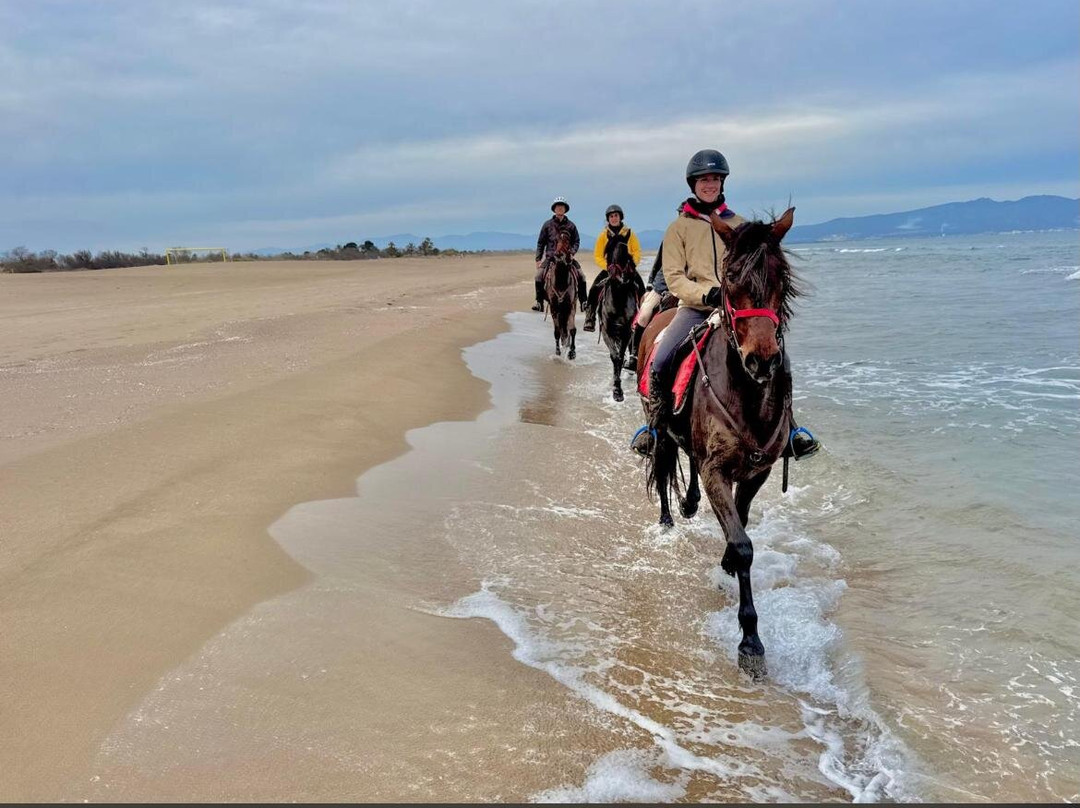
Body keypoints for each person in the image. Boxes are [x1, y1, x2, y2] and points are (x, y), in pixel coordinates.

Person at [631, 149, 821, 460]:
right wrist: (705, 295)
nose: (710, 185)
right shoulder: (678, 228)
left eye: (716, 179)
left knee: (779, 358)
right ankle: (654, 426)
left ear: (723, 184)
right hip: (694, 309)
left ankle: (789, 429)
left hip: (737, 310)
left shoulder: (741, 225)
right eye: (704, 180)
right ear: (693, 185)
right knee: (662, 358)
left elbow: (758, 272)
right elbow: (675, 277)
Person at [583, 204, 642, 332]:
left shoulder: (629, 233)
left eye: (616, 216)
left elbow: (637, 251)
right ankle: (590, 318)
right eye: (611, 216)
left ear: (620, 217)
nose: (614, 218)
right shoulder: (603, 235)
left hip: (627, 269)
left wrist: (632, 265)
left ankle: (643, 319)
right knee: (594, 289)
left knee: (641, 288)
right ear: (608, 219)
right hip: (610, 269)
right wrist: (608, 267)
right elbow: (598, 255)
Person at [533, 196, 586, 312]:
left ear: (565, 209)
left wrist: (572, 252)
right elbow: (541, 243)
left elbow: (576, 241)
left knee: (582, 276)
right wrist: (538, 259)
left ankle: (584, 302)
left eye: (562, 206)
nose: (560, 208)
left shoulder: (571, 226)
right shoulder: (547, 225)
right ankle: (539, 302)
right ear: (554, 209)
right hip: (551, 258)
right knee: (538, 276)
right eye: (558, 206)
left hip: (567, 258)